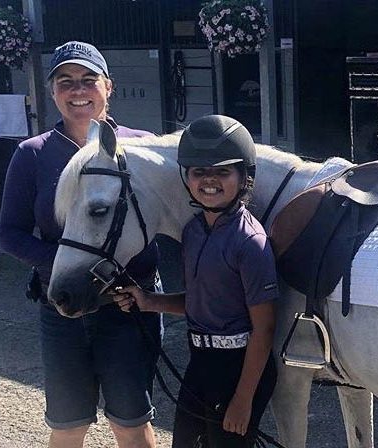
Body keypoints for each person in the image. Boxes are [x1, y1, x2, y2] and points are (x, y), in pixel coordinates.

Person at [0, 41, 161, 447]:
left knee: (131, 423)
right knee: (68, 426)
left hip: (124, 309)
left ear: (109, 86)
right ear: (52, 92)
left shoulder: (141, 146)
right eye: (65, 81)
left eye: (88, 80)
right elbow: (10, 233)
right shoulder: (32, 154)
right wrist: (69, 265)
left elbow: (164, 221)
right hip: (63, 308)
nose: (77, 90)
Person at [112, 115, 279, 448]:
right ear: (186, 177)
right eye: (199, 172)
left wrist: (243, 400)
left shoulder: (251, 243)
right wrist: (148, 301)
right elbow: (201, 299)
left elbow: (264, 329)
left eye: (222, 171)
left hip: (239, 367)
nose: (209, 181)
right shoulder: (193, 231)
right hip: (201, 362)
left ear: (245, 176)